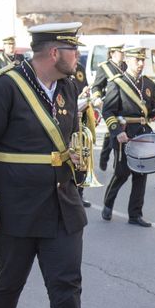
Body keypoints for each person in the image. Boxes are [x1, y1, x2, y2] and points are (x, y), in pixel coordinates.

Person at [0, 22, 88, 308]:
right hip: (16, 210)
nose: (78, 58)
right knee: (5, 289)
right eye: (74, 51)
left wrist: (74, 159)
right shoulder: (3, 87)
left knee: (67, 290)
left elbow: (63, 141)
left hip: (63, 208)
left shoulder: (68, 88)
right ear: (55, 53)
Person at [100, 47, 155, 226]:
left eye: (143, 60)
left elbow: (153, 110)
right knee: (121, 173)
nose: (141, 64)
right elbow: (108, 111)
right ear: (129, 60)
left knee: (141, 174)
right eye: (137, 60)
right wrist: (117, 132)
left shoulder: (148, 83)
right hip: (124, 133)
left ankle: (135, 215)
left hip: (142, 133)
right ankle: (108, 204)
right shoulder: (117, 82)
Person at [91, 44, 125, 171]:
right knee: (114, 130)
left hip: (124, 105)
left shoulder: (126, 66)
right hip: (110, 104)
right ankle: (106, 159)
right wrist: (97, 97)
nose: (123, 53)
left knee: (114, 131)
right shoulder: (105, 67)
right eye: (120, 51)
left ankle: (110, 158)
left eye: (123, 51)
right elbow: (96, 86)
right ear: (112, 53)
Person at [73, 55, 92, 208]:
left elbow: (83, 85)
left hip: (81, 115)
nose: (77, 54)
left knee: (82, 159)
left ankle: (80, 195)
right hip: (70, 116)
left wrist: (85, 94)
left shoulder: (79, 68)